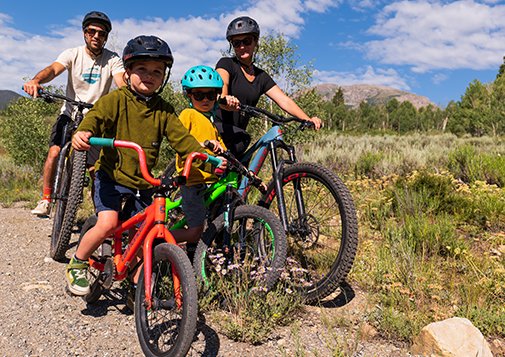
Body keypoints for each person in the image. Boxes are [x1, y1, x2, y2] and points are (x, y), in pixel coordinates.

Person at [65, 36, 226, 296]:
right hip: (112, 176)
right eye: (142, 69)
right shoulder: (116, 100)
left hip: (144, 182)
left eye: (156, 72)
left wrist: (207, 157)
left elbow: (183, 140)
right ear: (127, 72)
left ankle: (138, 287)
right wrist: (83, 133)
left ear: (163, 77)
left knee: (143, 238)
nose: (149, 76)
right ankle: (78, 262)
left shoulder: (164, 110)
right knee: (107, 224)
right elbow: (95, 117)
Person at [23, 11, 126, 216]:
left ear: (106, 37)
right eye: (92, 31)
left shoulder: (112, 59)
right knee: (53, 154)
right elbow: (52, 70)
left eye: (102, 33)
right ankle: (46, 199)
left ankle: (101, 214)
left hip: (96, 119)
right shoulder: (72, 54)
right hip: (70, 113)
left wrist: (130, 97)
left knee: (96, 170)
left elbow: (121, 82)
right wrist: (36, 81)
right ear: (84, 33)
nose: (97, 36)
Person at [215, 16, 323, 160]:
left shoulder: (261, 77)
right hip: (216, 128)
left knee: (243, 172)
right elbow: (222, 84)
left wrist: (307, 119)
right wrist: (225, 98)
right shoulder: (227, 64)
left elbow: (284, 100)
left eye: (246, 41)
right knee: (243, 140)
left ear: (255, 42)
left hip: (237, 138)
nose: (242, 46)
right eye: (236, 42)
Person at [170, 65, 231, 261]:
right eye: (199, 95)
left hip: (208, 182)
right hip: (192, 181)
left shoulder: (211, 123)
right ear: (189, 95)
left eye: (211, 95)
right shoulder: (188, 115)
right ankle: (157, 241)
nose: (205, 100)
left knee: (200, 223)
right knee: (196, 230)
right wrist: (204, 144)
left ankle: (192, 258)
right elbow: (179, 141)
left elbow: (223, 150)